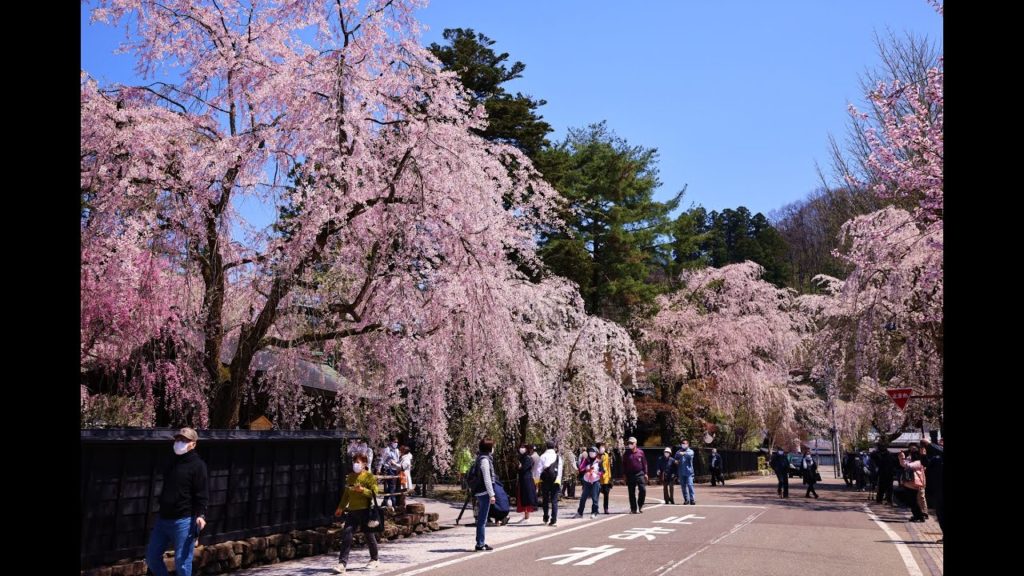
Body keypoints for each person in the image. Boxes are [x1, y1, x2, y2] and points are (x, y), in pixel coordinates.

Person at [146, 427, 208, 576]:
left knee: (182, 562)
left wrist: (201, 515)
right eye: (178, 439)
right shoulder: (172, 462)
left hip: (184, 520)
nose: (180, 443)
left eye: (185, 440)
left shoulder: (198, 466)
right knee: (152, 557)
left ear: (193, 444)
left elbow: (202, 493)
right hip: (163, 518)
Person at [334, 453, 380, 573]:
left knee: (369, 536)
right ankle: (342, 563)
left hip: (365, 511)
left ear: (364, 464)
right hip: (352, 511)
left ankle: (374, 559)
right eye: (354, 462)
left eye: (358, 462)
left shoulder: (369, 477)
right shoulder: (350, 477)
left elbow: (375, 493)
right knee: (347, 536)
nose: (356, 464)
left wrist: (363, 490)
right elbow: (346, 494)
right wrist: (341, 507)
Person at [471, 438, 497, 550]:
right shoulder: (485, 460)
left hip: (479, 491)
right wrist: (491, 494)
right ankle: (480, 543)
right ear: (489, 448)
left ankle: (481, 542)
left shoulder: (480, 458)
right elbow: (487, 478)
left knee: (482, 518)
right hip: (484, 492)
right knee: (482, 519)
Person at [535, 440, 562, 527]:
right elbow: (560, 470)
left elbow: (539, 470)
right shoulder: (558, 457)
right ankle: (554, 519)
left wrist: (537, 481)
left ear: (546, 447)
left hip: (545, 481)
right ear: (554, 447)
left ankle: (546, 517)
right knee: (554, 500)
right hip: (555, 481)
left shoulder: (543, 456)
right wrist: (558, 480)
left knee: (545, 500)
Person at [575, 446, 603, 518]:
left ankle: (594, 512)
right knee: (583, 497)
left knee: (595, 498)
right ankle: (580, 513)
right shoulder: (586, 460)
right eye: (590, 451)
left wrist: (597, 472)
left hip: (595, 481)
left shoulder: (599, 461)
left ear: (596, 453)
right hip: (586, 481)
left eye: (593, 452)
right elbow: (580, 469)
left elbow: (602, 471)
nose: (591, 453)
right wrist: (586, 468)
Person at [622, 436, 648, 513]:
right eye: (629, 443)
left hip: (640, 473)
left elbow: (645, 463)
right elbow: (624, 465)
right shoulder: (626, 454)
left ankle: (640, 505)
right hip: (630, 474)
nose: (630, 444)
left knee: (643, 489)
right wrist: (624, 475)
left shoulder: (640, 452)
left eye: (632, 443)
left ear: (635, 444)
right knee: (631, 492)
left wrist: (646, 473)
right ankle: (633, 508)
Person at [516, 444, 538, 521]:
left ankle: (527, 515)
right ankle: (525, 515)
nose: (521, 449)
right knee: (523, 497)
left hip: (527, 479)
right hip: (522, 479)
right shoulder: (521, 458)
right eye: (521, 447)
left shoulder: (528, 458)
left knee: (527, 497)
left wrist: (520, 467)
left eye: (523, 448)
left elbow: (524, 468)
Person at [379, 436, 401, 507]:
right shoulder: (387, 449)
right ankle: (394, 504)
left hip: (395, 469)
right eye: (395, 442)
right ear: (391, 442)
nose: (396, 443)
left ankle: (385, 501)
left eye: (397, 442)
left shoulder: (397, 450)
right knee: (392, 486)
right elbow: (382, 459)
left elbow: (398, 460)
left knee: (391, 486)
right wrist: (379, 468)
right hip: (389, 469)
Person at [675, 440, 695, 505]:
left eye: (685, 443)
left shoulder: (690, 451)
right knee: (683, 487)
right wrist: (676, 461)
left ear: (688, 444)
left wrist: (684, 453)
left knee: (690, 485)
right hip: (681, 472)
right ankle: (686, 499)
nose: (684, 444)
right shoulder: (678, 452)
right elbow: (676, 457)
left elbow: (690, 456)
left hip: (689, 472)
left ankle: (692, 499)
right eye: (683, 444)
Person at [597, 442, 613, 514]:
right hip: (597, 478)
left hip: (606, 478)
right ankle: (595, 508)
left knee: (606, 494)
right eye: (601, 447)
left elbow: (608, 466)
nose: (603, 448)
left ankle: (606, 508)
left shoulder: (606, 455)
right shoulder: (596, 456)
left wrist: (610, 477)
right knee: (596, 494)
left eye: (603, 447)